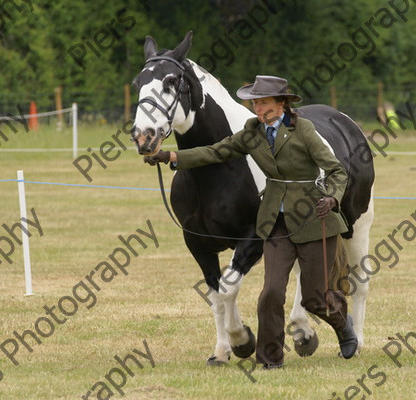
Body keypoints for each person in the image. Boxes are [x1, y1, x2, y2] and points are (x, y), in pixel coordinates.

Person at [148, 75, 357, 369]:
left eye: (265, 103)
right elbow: (214, 151)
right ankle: (271, 359)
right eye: (255, 103)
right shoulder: (251, 133)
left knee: (314, 298)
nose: (259, 109)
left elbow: (336, 171)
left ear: (282, 104)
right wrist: (170, 155)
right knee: (270, 294)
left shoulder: (304, 131)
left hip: (313, 218)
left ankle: (343, 325)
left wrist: (333, 198)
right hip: (275, 222)